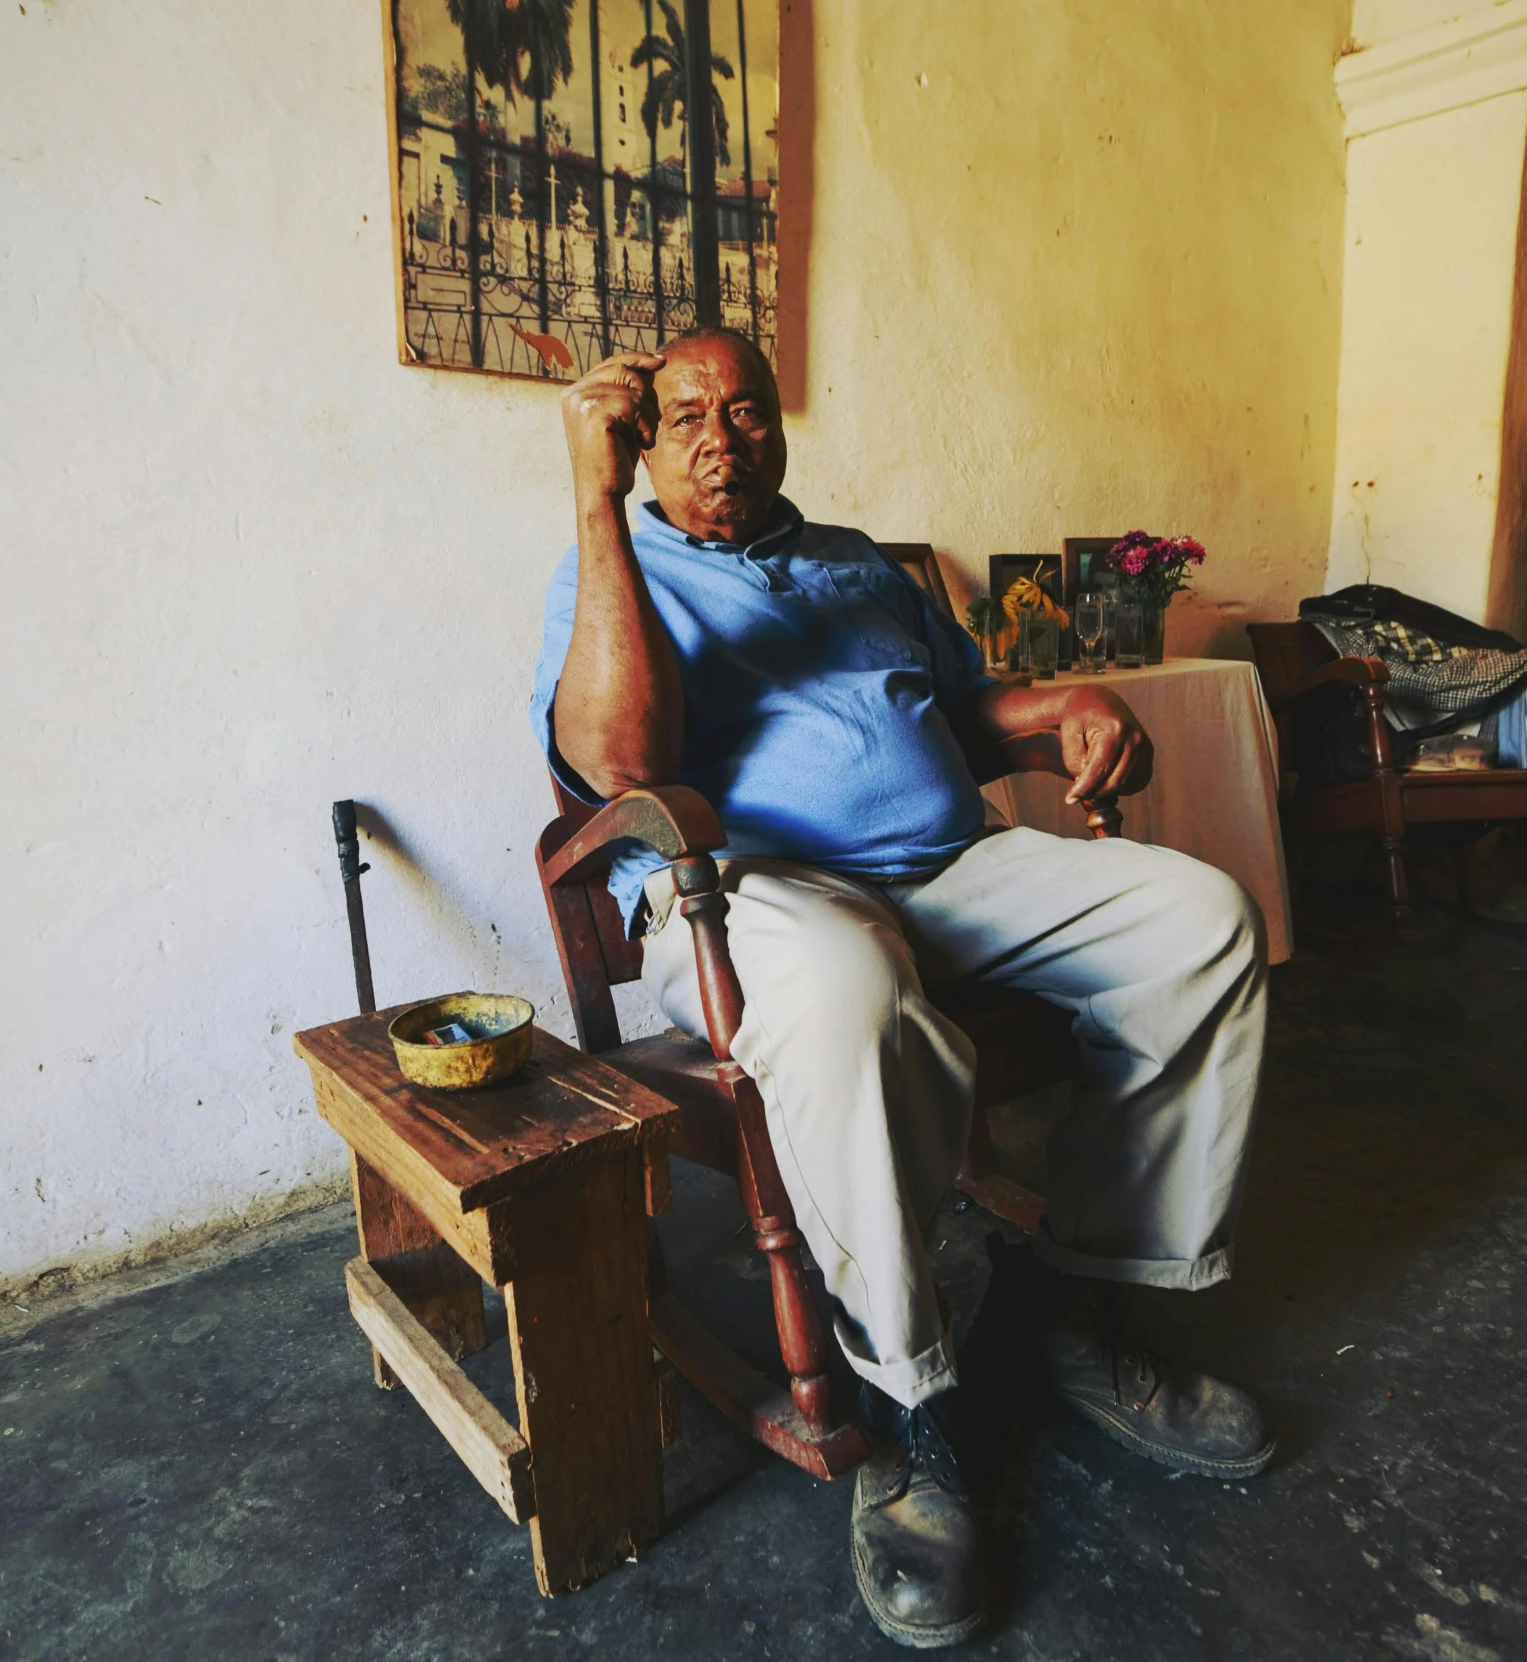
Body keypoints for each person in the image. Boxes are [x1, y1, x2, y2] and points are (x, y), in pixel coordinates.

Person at [531, 327, 1270, 1649]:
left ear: (781, 421)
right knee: (851, 989)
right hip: (762, 896)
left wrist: (1062, 709)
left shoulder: (860, 563)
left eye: (747, 407)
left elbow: (964, 708)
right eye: (686, 414)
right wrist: (595, 505)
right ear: (646, 437)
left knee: (1202, 921)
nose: (722, 435)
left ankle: (1073, 1296)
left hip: (952, 867)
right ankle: (911, 1402)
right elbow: (624, 760)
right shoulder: (619, 568)